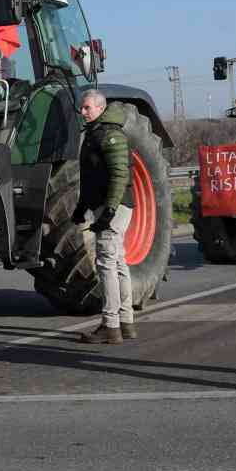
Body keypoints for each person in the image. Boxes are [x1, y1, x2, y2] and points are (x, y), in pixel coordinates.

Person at [74, 88, 136, 344]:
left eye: (87, 107)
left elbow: (120, 175)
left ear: (100, 108)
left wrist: (109, 211)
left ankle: (111, 326)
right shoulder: (94, 133)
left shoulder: (111, 134)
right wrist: (81, 206)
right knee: (118, 262)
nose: (83, 111)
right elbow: (92, 178)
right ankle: (126, 322)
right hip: (105, 205)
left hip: (115, 206)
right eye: (82, 107)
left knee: (107, 264)